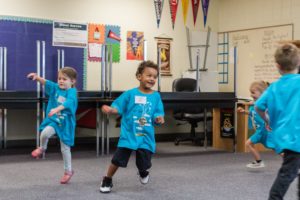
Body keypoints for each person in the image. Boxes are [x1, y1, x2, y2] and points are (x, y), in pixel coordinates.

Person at [99, 60, 165, 193]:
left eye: (154, 77)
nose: (152, 79)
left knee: (144, 163)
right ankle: (107, 179)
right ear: (139, 76)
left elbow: (159, 112)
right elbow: (118, 106)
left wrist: (159, 118)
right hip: (129, 134)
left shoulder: (156, 96)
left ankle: (143, 172)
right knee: (117, 160)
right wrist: (111, 110)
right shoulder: (130, 94)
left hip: (146, 136)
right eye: (149, 75)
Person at [255, 43, 300, 199]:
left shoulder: (273, 87)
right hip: (296, 139)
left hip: (286, 138)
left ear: (277, 66)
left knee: (291, 170)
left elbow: (258, 106)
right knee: (288, 173)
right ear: (299, 63)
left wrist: (268, 121)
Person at [28, 67, 78, 184]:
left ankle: (68, 171)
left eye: (64, 79)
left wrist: (57, 109)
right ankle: (42, 148)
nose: (61, 81)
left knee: (65, 148)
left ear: (72, 81)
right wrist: (37, 78)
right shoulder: (55, 88)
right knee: (45, 132)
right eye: (59, 78)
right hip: (55, 120)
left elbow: (69, 102)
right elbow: (47, 83)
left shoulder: (72, 92)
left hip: (66, 123)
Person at [237, 81, 274, 169]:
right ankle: (292, 162)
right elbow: (253, 113)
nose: (251, 95)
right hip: (261, 131)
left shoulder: (262, 104)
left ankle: (259, 162)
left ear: (262, 93)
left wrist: (254, 103)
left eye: (253, 92)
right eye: (250, 92)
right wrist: (244, 112)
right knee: (276, 148)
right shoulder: (254, 105)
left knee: (248, 143)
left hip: (262, 130)